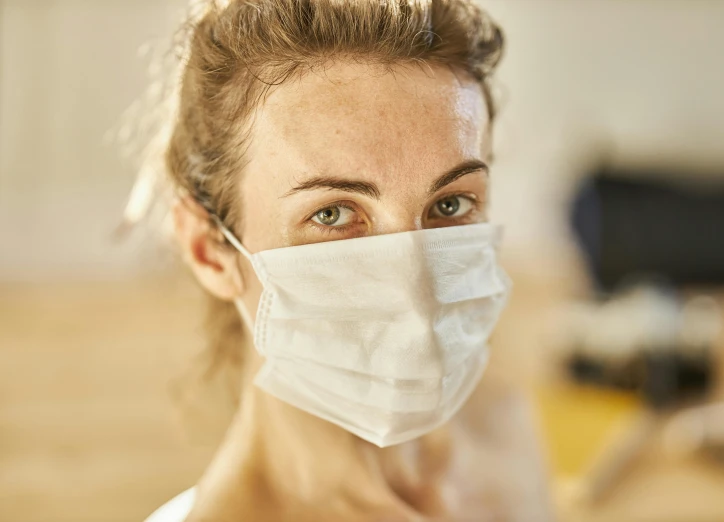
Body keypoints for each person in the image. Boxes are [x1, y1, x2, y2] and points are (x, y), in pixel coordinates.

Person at [135, 1, 553, 520]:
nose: (414, 292)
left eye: (449, 205)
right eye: (332, 213)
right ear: (209, 251)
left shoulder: (503, 426)